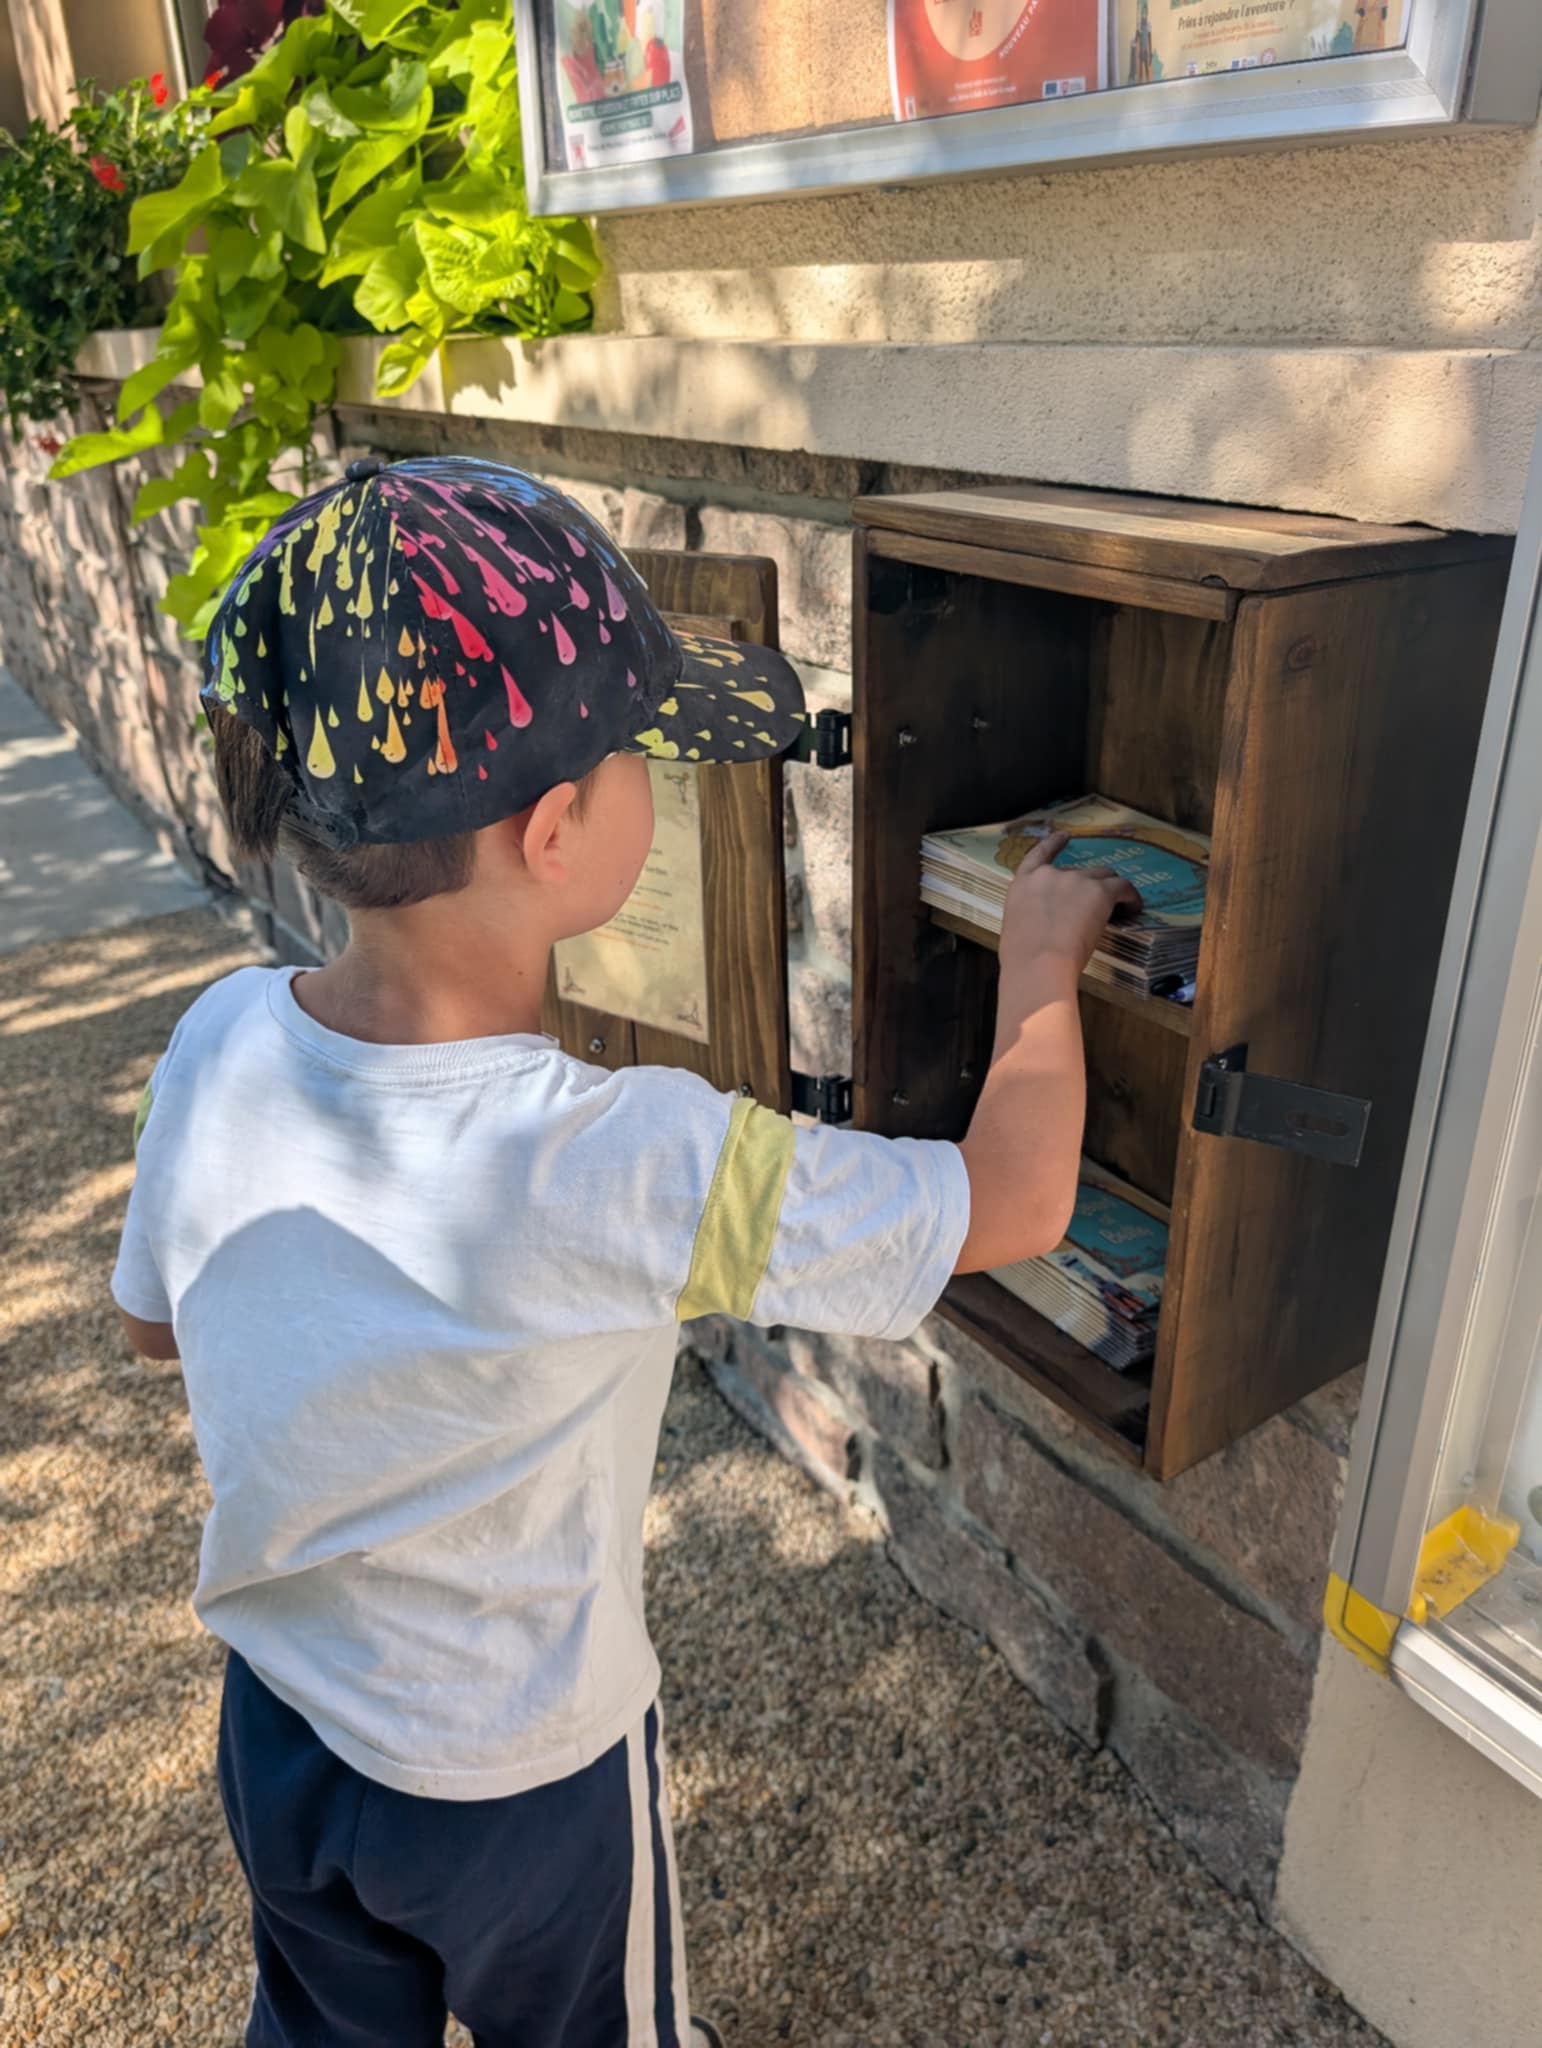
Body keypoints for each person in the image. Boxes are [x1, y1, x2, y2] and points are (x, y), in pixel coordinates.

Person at [113, 456, 1137, 2048]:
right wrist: (1043, 960)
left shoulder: (220, 1038)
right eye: (643, 753)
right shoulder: (621, 1159)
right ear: (556, 829)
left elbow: (156, 1330)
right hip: (519, 1779)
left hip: (283, 1722)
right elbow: (1009, 1206)